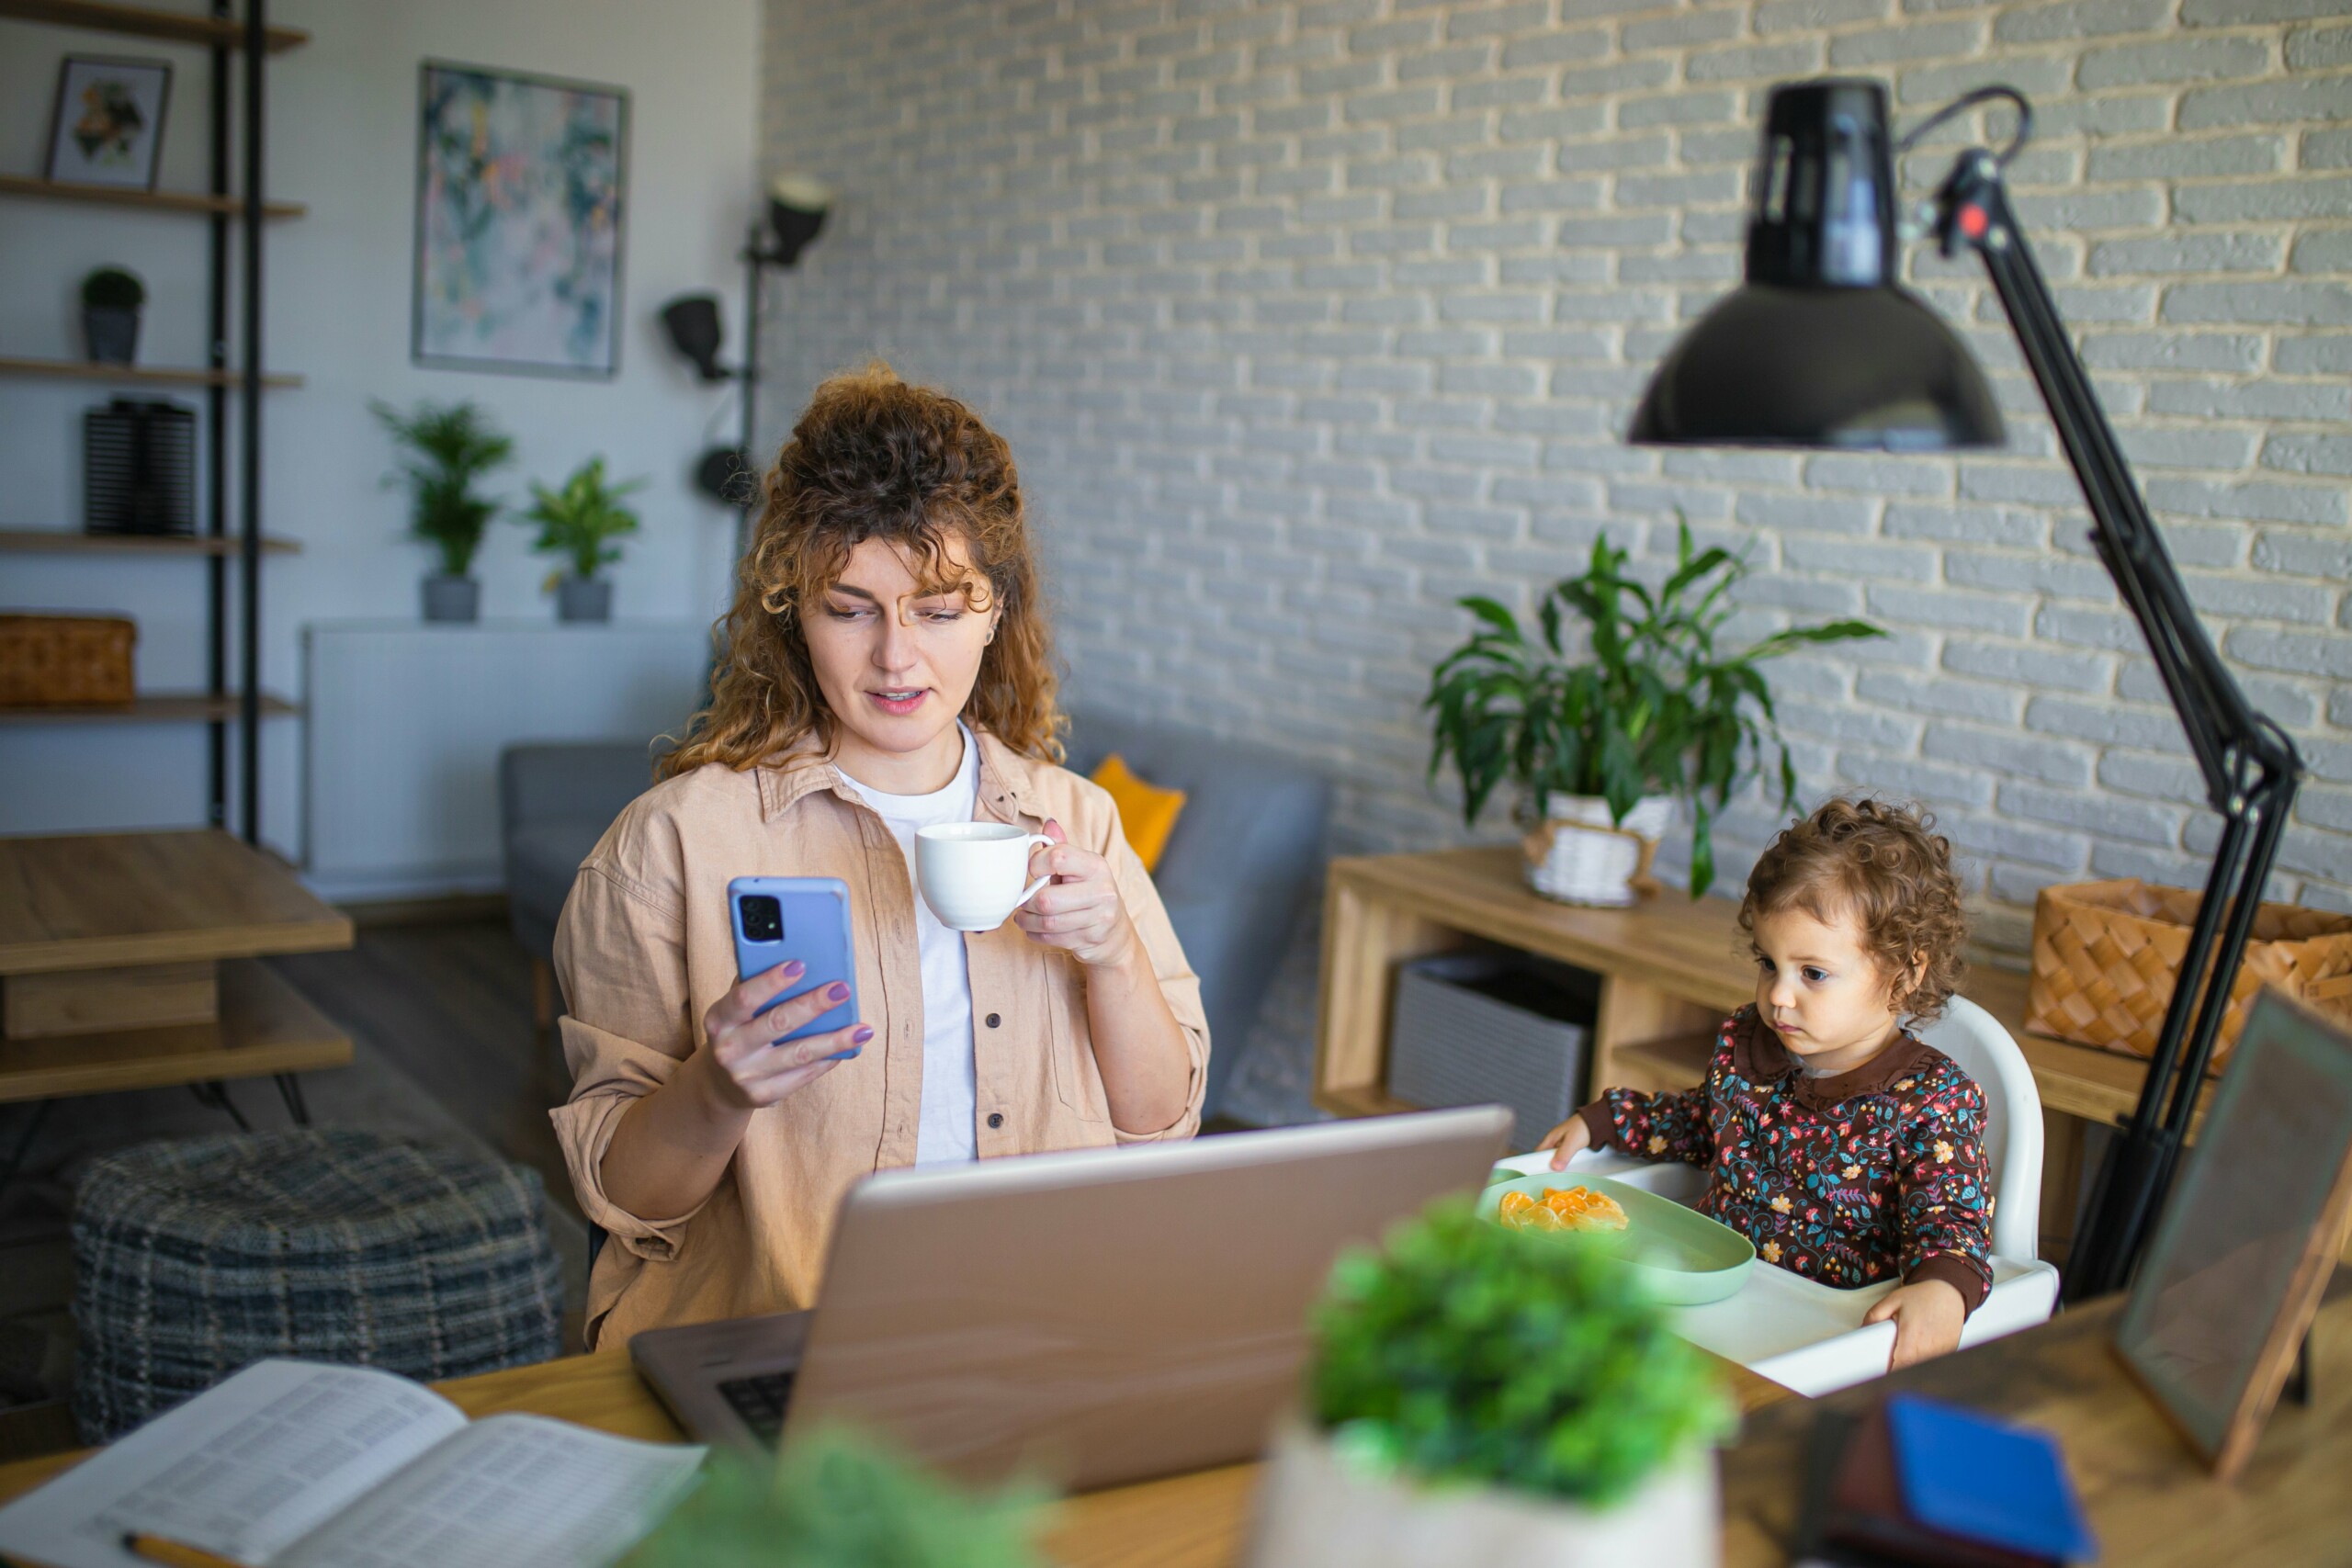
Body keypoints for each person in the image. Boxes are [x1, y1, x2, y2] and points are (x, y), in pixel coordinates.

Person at [549, 364, 1208, 1348]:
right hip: (776, 1338)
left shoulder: (1077, 820)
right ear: (790, 613)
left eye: (939, 610)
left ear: (996, 609)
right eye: (850, 609)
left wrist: (1111, 952)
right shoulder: (675, 843)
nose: (897, 658)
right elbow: (621, 1196)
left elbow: (1161, 1126)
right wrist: (715, 1090)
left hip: (1033, 1329)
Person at [1536, 797, 1993, 1370]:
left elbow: (1950, 1222)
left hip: (1817, 1338)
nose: (1778, 994)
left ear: (1904, 976)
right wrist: (1604, 1120)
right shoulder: (1750, 1045)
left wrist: (1941, 1290)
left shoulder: (1934, 1101)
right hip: (1708, 1294)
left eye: (1813, 973)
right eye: (1768, 963)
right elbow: (1704, 1123)